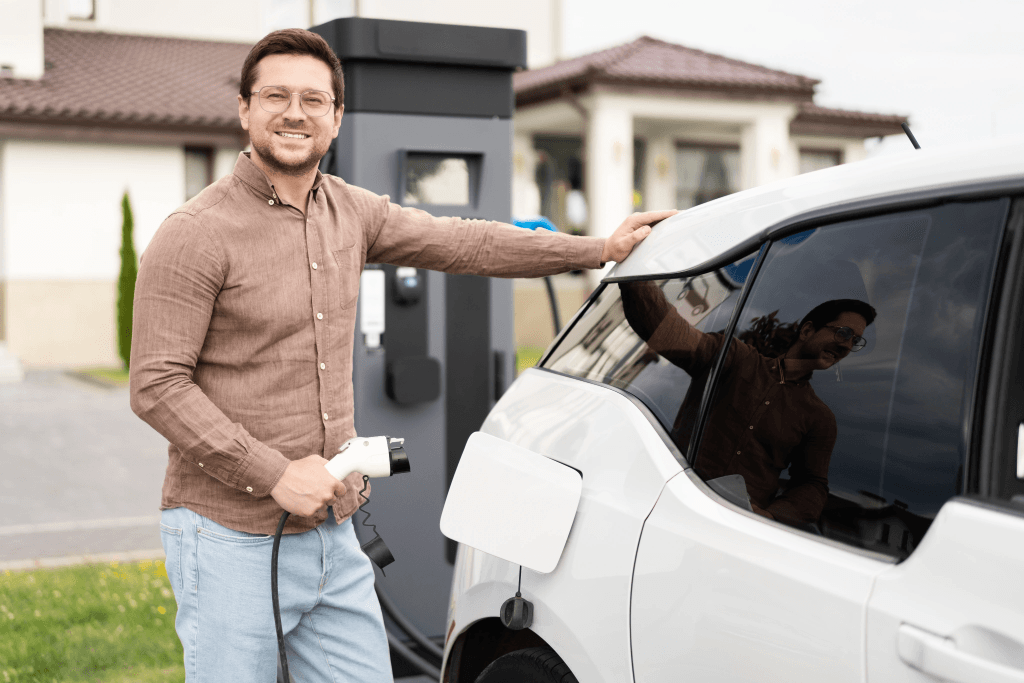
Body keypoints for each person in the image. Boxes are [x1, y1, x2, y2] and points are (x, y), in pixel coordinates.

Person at [128, 28, 673, 682]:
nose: (295, 112)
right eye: (276, 95)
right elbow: (157, 385)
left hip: (336, 532)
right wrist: (272, 471)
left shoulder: (351, 212)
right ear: (245, 109)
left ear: (336, 119)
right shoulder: (195, 233)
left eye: (313, 99)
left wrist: (599, 249)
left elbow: (468, 243)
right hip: (228, 538)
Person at [620, 280, 875, 525]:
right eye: (843, 333)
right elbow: (669, 334)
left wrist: (770, 516)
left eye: (855, 341)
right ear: (808, 330)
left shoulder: (819, 418)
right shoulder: (735, 358)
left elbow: (812, 485)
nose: (846, 346)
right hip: (667, 504)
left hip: (736, 530)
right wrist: (634, 275)